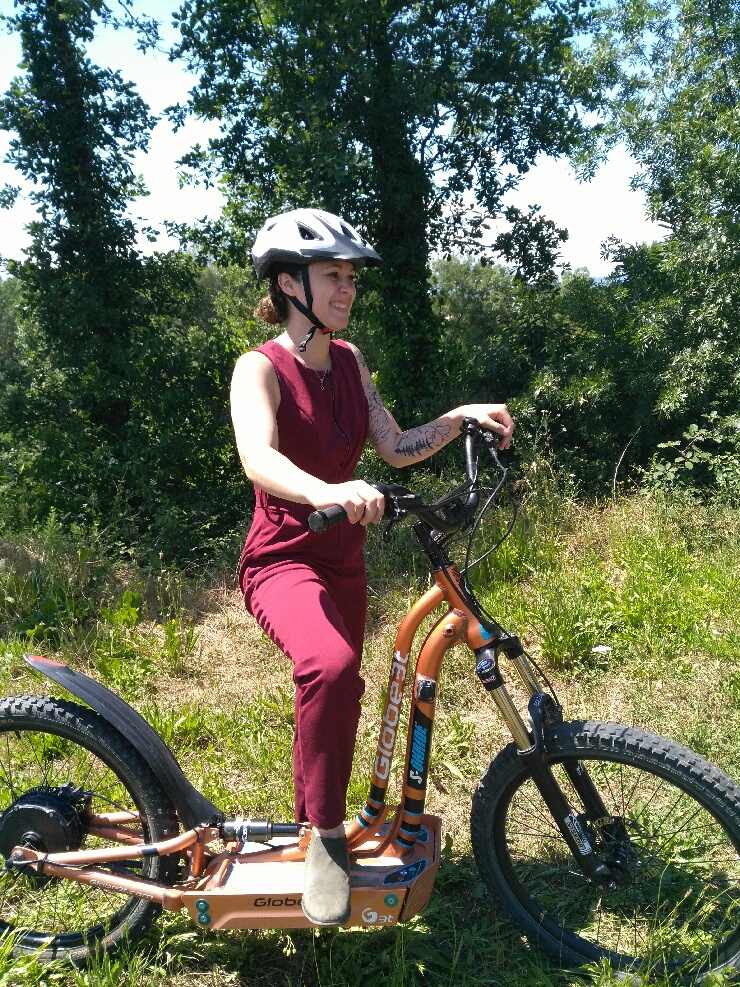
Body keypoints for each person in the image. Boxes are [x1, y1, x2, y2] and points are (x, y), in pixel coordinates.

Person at [230, 208, 514, 927]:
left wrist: (459, 419)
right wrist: (326, 489)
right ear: (289, 282)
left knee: (342, 690)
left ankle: (309, 818)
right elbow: (257, 456)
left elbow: (392, 443)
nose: (346, 288)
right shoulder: (259, 369)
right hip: (283, 556)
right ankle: (325, 837)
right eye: (333, 275)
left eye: (350, 277)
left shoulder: (349, 361)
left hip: (343, 559)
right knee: (328, 667)